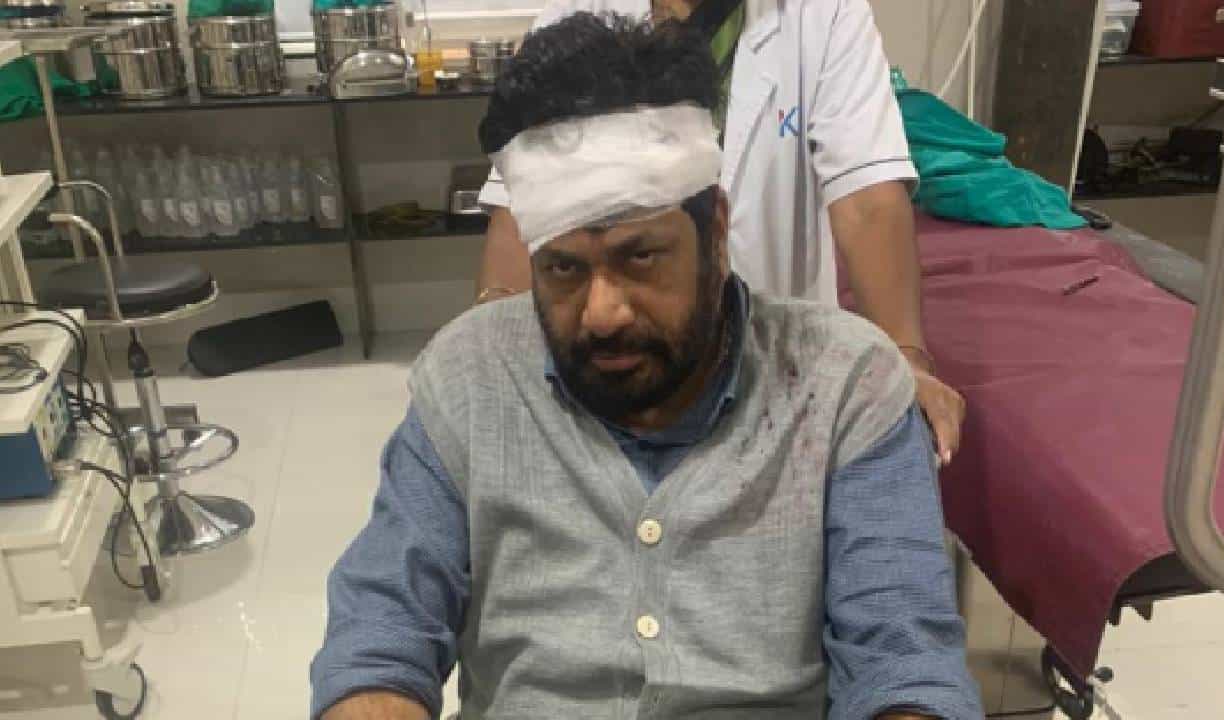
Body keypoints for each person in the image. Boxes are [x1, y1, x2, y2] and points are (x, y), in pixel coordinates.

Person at [312, 15, 980, 720]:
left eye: (640, 258)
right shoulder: (470, 378)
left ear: (715, 233)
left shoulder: (843, 388)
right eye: (564, 269)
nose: (602, 313)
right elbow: (381, 632)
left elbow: (902, 661)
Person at [475, 0, 967, 465]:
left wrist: (906, 359)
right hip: (607, 371)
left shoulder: (820, 12)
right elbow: (525, 201)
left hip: (774, 371)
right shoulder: (578, 12)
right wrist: (491, 351)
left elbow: (867, 200)